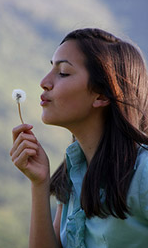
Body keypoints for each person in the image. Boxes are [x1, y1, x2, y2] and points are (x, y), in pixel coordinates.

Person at [10, 28, 148, 248]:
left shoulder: (143, 171)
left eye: (63, 72)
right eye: (50, 68)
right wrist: (39, 184)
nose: (44, 82)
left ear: (102, 94)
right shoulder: (73, 174)